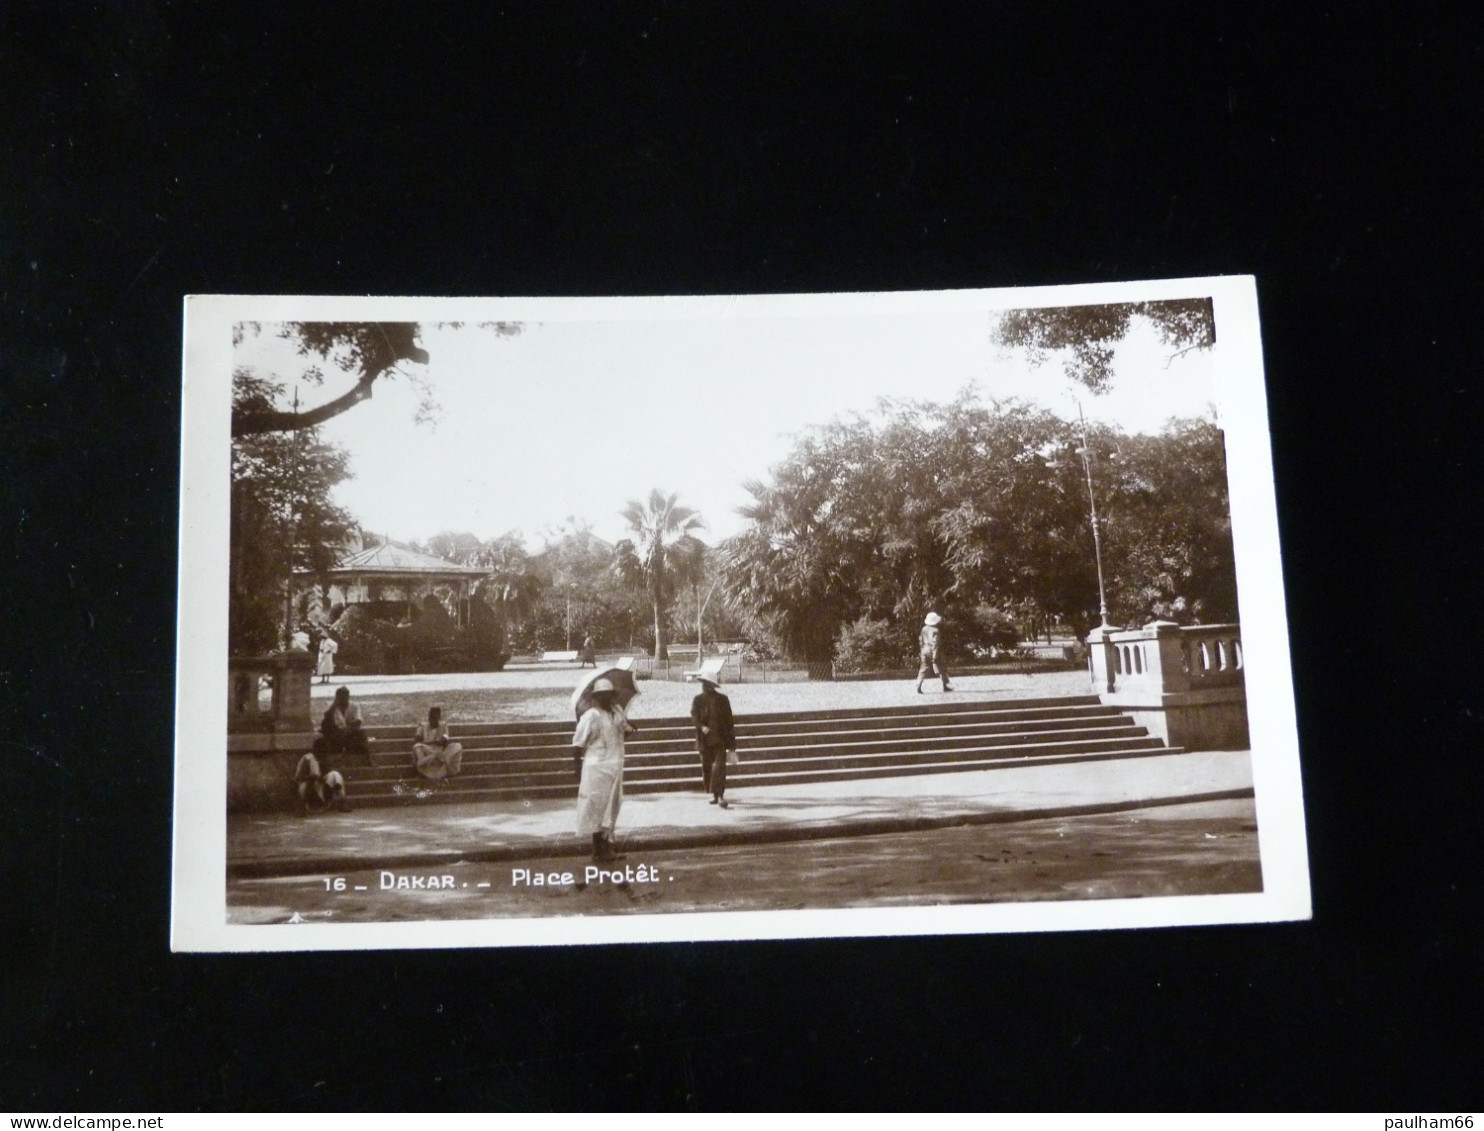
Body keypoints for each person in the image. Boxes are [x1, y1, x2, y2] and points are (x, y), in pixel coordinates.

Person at [571, 677, 634, 861]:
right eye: (602, 696)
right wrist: (576, 769)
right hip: (596, 767)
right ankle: (598, 850)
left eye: (609, 695)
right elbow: (577, 744)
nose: (606, 699)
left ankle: (607, 847)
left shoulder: (617, 712)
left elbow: (623, 732)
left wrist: (628, 729)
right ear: (596, 697)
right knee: (597, 807)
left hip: (614, 765)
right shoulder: (591, 716)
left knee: (612, 806)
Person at [690, 674, 736, 808]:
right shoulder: (698, 700)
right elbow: (694, 715)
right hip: (704, 740)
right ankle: (714, 795)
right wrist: (701, 726)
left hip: (719, 739)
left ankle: (720, 796)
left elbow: (729, 722)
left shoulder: (723, 700)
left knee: (719, 768)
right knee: (707, 768)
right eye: (703, 683)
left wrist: (732, 745)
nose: (703, 686)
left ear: (712, 686)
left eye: (706, 683)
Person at [314, 685, 371, 762]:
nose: (343, 700)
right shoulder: (333, 708)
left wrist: (348, 728)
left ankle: (367, 759)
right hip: (337, 735)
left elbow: (358, 721)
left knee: (361, 734)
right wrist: (333, 706)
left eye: (345, 697)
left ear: (348, 697)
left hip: (349, 734)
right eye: (340, 698)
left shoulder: (354, 706)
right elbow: (326, 721)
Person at [411, 706, 463, 783]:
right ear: (429, 717)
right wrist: (431, 742)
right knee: (417, 747)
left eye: (435, 717)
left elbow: (444, 741)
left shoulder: (444, 726)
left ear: (439, 717)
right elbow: (416, 740)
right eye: (431, 717)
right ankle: (430, 763)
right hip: (427, 750)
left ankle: (439, 759)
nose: (433, 719)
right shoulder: (422, 726)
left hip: (441, 752)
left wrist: (435, 743)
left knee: (457, 746)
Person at [294, 748, 349, 814]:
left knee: (336, 774)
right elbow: (298, 778)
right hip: (306, 788)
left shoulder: (322, 760)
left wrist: (322, 779)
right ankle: (301, 807)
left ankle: (342, 802)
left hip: (319, 790)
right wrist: (311, 777)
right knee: (309, 782)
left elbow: (324, 776)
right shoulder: (308, 759)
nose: (323, 756)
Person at [916, 611, 953, 694]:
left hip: (924, 650)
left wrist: (922, 650)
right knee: (942, 668)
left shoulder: (924, 629)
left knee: (923, 668)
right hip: (933, 651)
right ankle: (945, 685)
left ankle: (918, 684)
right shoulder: (936, 630)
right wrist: (935, 654)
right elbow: (935, 643)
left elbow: (920, 640)